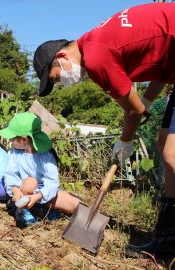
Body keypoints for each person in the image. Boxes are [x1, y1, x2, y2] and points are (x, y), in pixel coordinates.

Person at [32, 2, 175, 257]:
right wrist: (148, 101)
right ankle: (169, 239)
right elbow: (163, 68)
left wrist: (125, 141)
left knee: (172, 155)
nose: (62, 84)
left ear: (62, 57)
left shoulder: (96, 58)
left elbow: (131, 111)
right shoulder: (96, 40)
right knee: (167, 150)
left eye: (55, 78)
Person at [0, 112, 80, 224]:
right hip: (24, 194)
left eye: (12, 138)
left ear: (24, 140)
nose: (10, 141)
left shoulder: (46, 155)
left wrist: (38, 196)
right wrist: (15, 190)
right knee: (31, 182)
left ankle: (41, 209)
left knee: (74, 204)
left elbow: (52, 182)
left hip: (44, 194)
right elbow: (10, 174)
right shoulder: (14, 153)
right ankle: (23, 211)